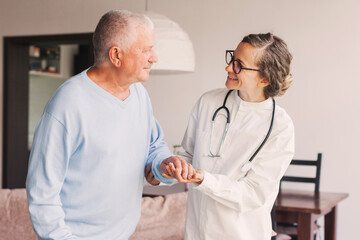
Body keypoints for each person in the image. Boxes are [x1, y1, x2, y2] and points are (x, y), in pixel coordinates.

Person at [26, 10, 192, 240]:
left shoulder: (139, 95)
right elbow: (42, 194)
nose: (154, 57)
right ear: (116, 55)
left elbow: (153, 145)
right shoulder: (67, 104)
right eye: (146, 50)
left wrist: (165, 163)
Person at [161, 33, 295, 239]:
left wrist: (204, 179)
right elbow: (188, 154)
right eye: (232, 58)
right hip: (195, 232)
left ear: (264, 78)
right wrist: (173, 164)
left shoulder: (279, 126)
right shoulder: (208, 102)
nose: (228, 68)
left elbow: (254, 194)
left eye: (239, 65)